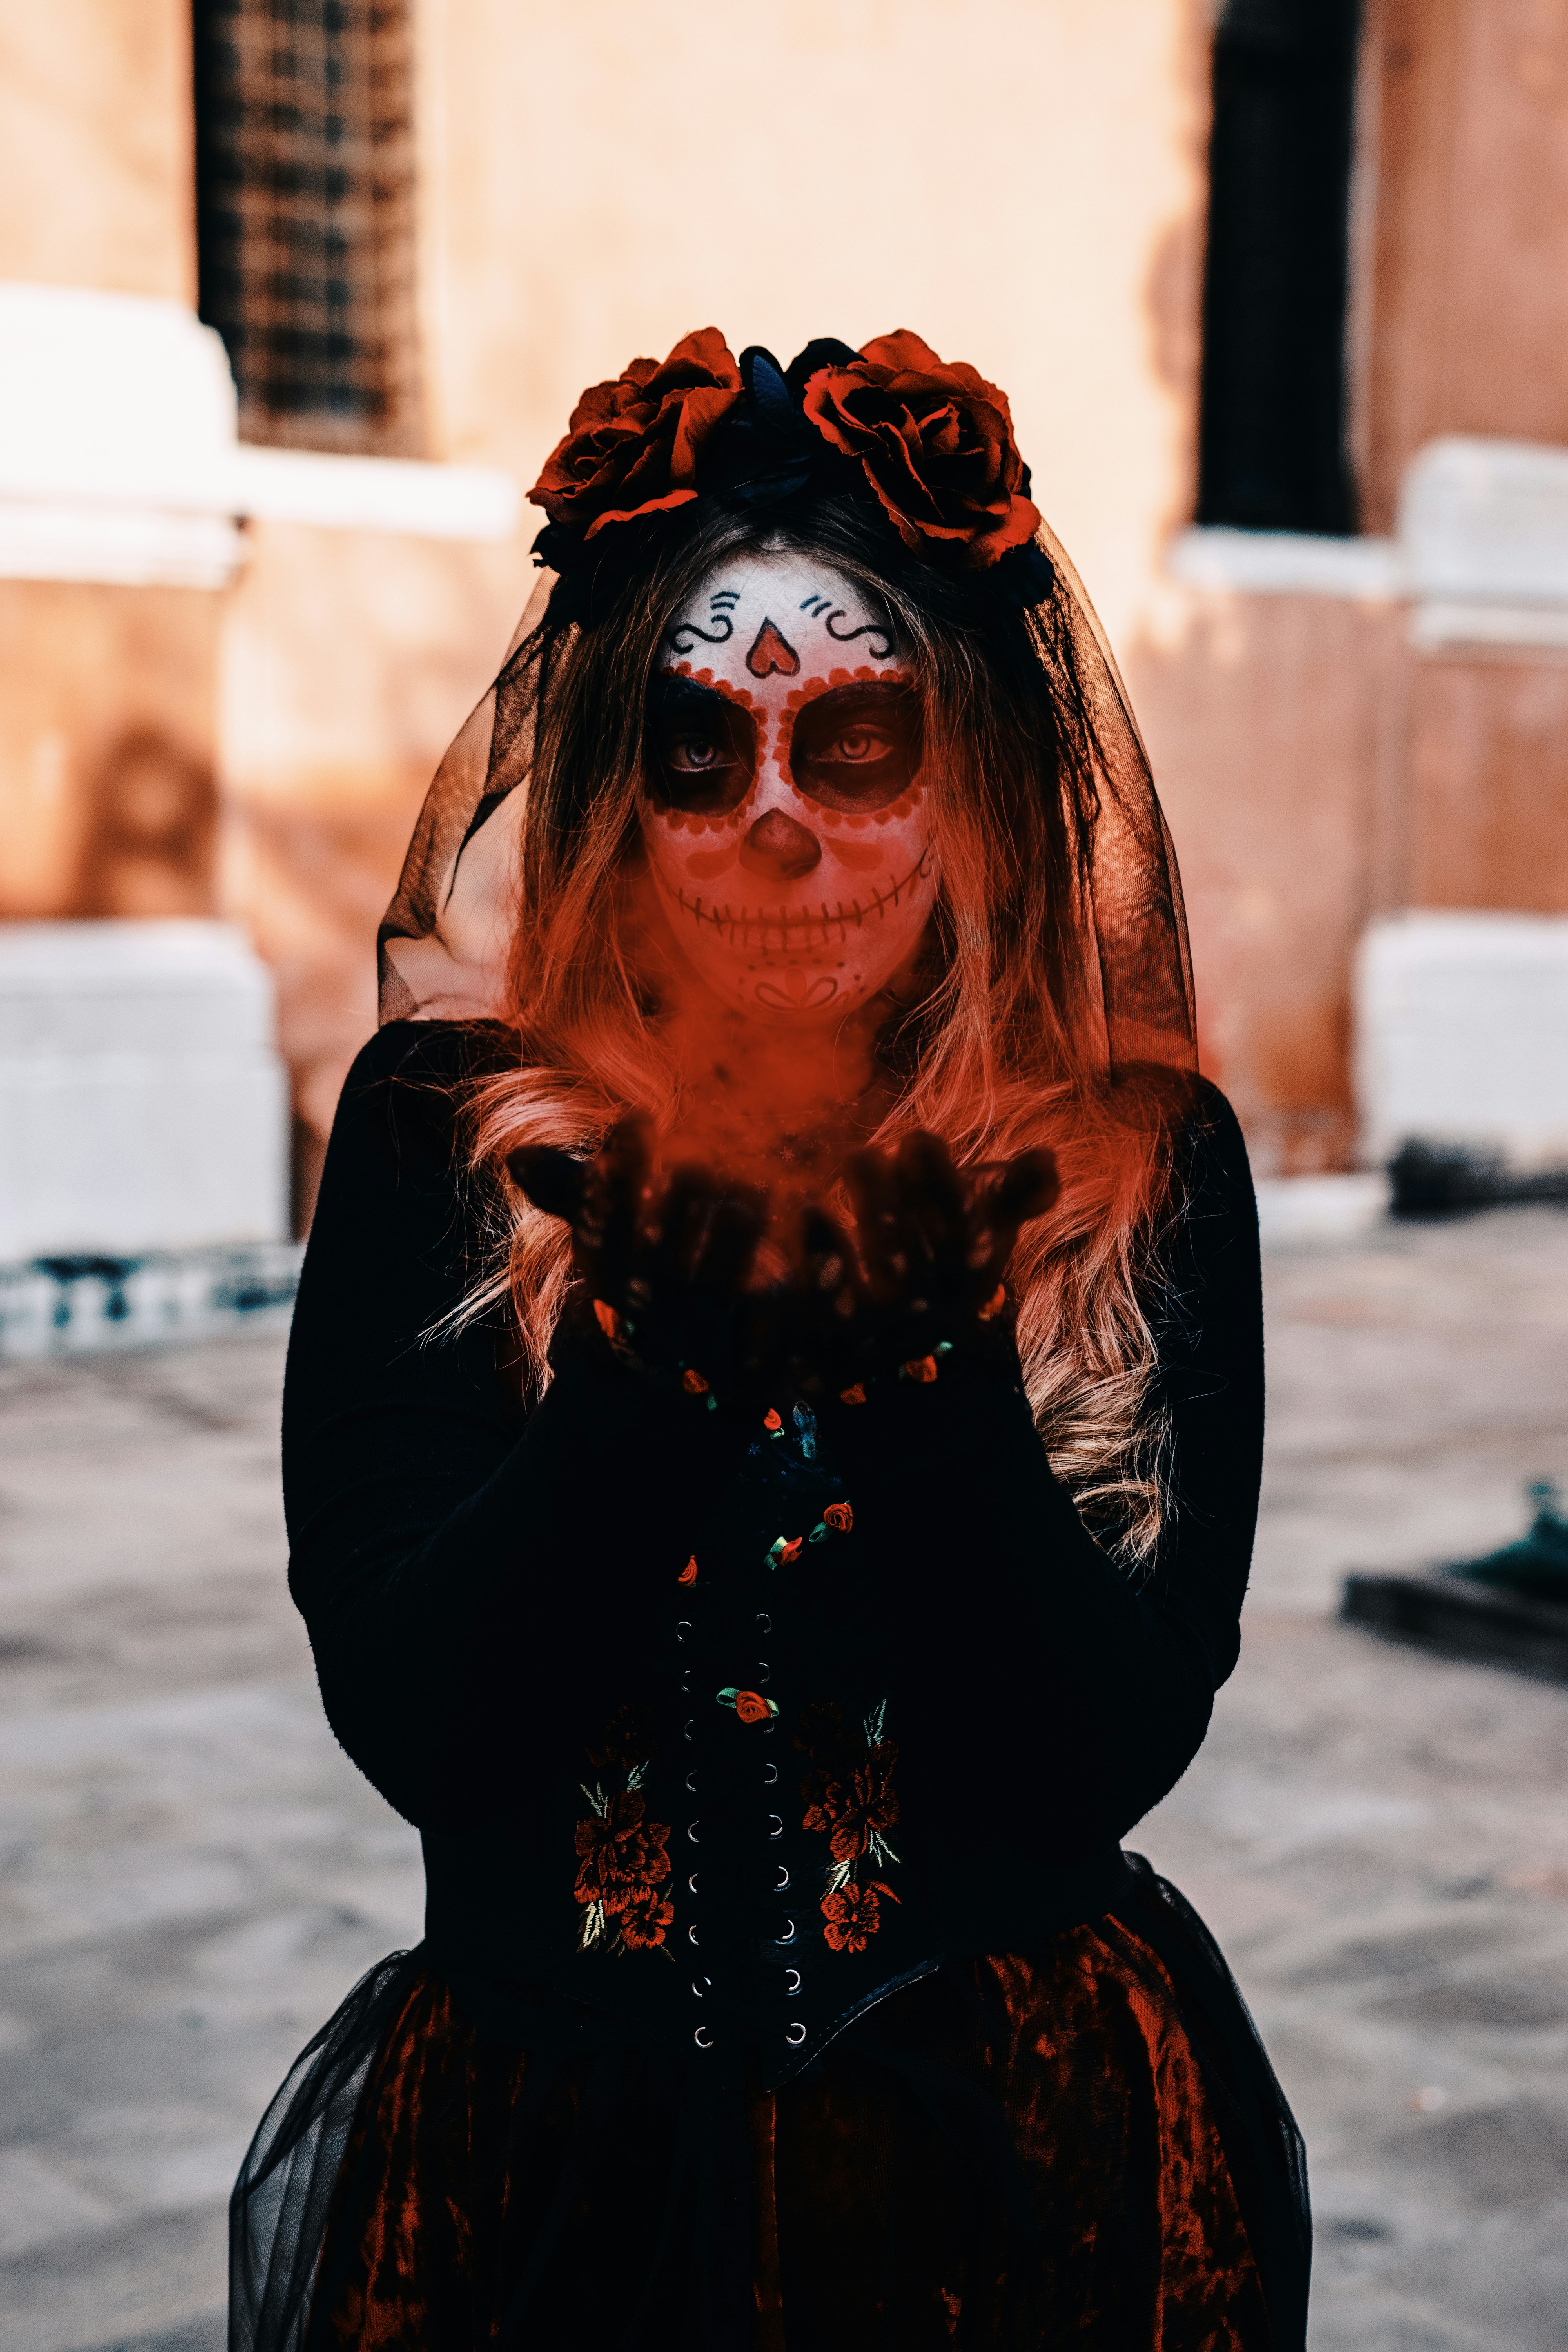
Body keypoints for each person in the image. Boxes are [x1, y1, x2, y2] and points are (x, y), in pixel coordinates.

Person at [231, 330, 1310, 2351]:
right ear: (617, 796)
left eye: (861, 741)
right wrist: (643, 1395)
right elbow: (419, 1726)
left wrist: (934, 1391)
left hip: (1010, 2163)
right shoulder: (453, 1147)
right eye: (699, 748)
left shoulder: (1134, 1170)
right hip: (550, 2188)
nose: (777, 825)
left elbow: (1101, 1754)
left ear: (977, 770)